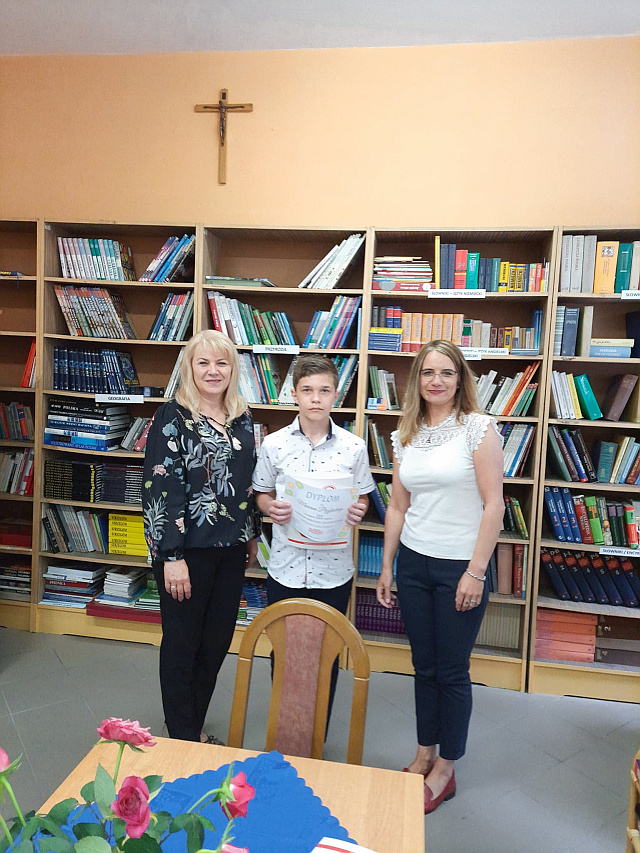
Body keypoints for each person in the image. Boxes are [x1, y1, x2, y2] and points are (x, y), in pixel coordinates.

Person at [376, 339, 504, 814]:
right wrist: (387, 566)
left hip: (459, 567)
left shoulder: (477, 429)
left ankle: (446, 769)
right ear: (417, 380)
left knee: (451, 671)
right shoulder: (405, 433)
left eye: (447, 372)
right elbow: (397, 505)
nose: (437, 381)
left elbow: (494, 504)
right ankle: (424, 753)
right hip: (414, 564)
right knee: (423, 666)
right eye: (428, 372)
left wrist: (476, 571)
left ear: (460, 379)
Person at [142, 329, 261, 743]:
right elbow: (161, 488)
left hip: (231, 549)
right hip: (185, 552)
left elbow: (246, 482)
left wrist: (251, 534)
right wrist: (170, 556)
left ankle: (191, 726)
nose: (213, 371)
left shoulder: (243, 417)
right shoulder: (172, 417)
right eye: (203, 362)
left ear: (233, 369)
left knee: (216, 643)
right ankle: (182, 736)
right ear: (189, 368)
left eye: (222, 363)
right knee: (183, 644)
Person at [252, 354, 375, 726]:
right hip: (285, 568)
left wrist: (359, 510)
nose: (316, 399)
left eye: (324, 391)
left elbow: (363, 497)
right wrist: (270, 507)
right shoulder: (274, 444)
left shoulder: (354, 447)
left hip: (333, 572)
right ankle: (285, 729)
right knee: (283, 652)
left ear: (336, 395)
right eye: (307, 390)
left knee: (327, 655)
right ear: (294, 395)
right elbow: (260, 493)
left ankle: (315, 734)